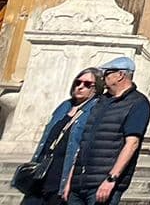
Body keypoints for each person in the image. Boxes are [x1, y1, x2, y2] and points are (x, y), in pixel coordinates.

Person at [23, 68, 97, 205]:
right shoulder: (65, 106)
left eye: (87, 84)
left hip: (61, 175)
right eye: (78, 82)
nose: (80, 87)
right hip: (42, 172)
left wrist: (69, 181)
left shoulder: (94, 110)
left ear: (96, 88)